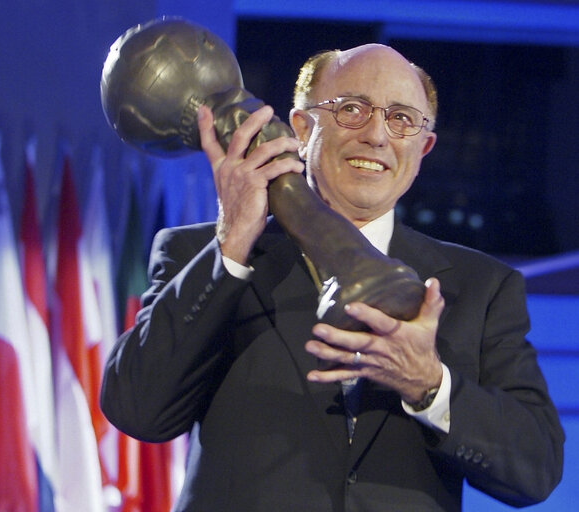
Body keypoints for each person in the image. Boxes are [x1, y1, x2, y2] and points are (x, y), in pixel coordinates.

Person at [100, 43, 564, 511]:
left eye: (402, 118)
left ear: (423, 147)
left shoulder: (482, 286)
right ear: (301, 127)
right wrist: (232, 243)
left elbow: (536, 469)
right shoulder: (201, 254)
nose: (377, 136)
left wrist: (429, 385)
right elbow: (137, 410)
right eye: (351, 110)